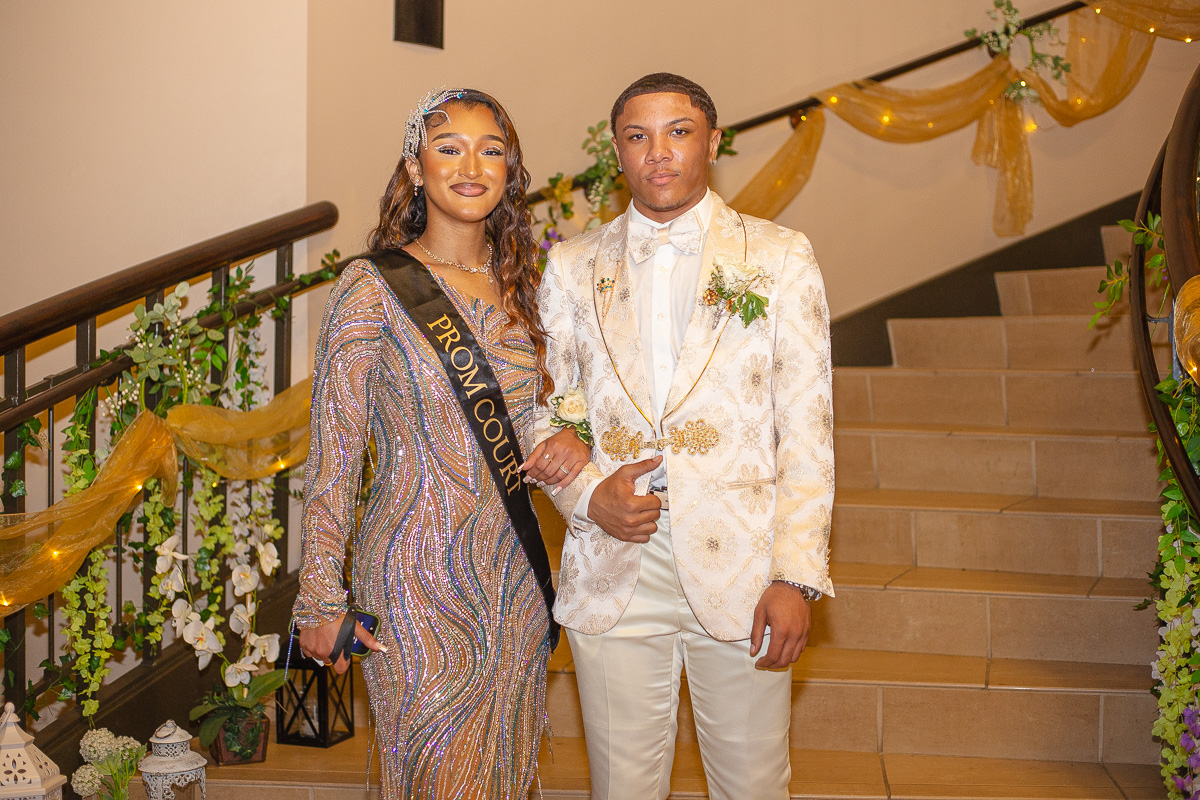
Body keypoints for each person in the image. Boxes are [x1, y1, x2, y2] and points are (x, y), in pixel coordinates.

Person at [524, 73, 835, 800]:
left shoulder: (780, 256)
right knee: (622, 788)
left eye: (678, 132)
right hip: (615, 561)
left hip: (744, 564)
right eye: (637, 137)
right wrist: (586, 496)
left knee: (752, 786)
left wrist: (795, 575)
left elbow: (809, 429)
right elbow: (541, 408)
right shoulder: (570, 267)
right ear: (617, 153)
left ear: (713, 142)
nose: (657, 152)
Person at [292, 87, 590, 799]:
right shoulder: (372, 287)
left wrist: (575, 435)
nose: (471, 166)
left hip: (511, 573)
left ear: (510, 172)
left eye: (491, 151)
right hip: (412, 577)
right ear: (414, 168)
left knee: (504, 776)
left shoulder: (532, 289)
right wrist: (319, 598)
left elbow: (559, 408)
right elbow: (334, 454)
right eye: (448, 148)